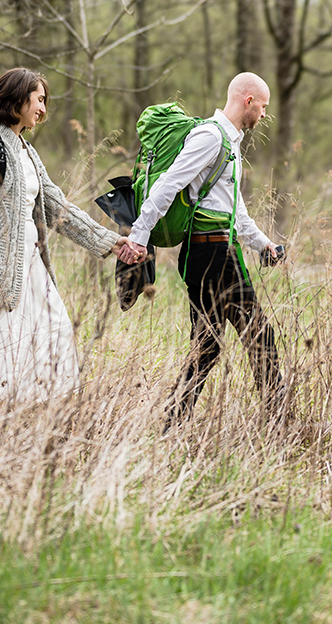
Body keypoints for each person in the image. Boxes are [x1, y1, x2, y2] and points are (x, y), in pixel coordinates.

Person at [0, 68, 119, 416]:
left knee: (53, 341)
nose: (43, 109)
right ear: (18, 101)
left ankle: (23, 437)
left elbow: (55, 205)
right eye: (39, 100)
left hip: (33, 272)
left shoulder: (26, 151)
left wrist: (109, 242)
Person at [115, 72, 285, 424]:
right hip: (210, 253)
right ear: (248, 101)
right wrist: (139, 236)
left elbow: (234, 210)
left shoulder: (231, 143)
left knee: (207, 346)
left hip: (215, 249)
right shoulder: (210, 136)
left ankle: (171, 422)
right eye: (263, 107)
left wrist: (263, 243)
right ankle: (280, 423)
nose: (264, 116)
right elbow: (167, 184)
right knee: (259, 335)